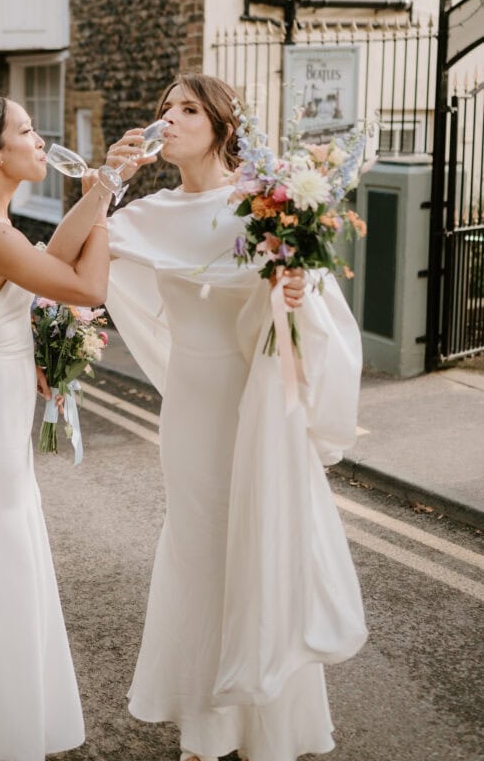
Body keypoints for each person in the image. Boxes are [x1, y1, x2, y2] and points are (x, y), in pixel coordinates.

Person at [98, 74, 367, 761]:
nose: (171, 118)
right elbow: (73, 261)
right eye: (165, 108)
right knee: (197, 549)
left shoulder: (262, 207)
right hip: (188, 407)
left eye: (189, 109)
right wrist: (105, 178)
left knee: (259, 540)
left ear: (222, 126)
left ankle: (271, 726)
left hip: (252, 399)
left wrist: (298, 291)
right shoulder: (147, 213)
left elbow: (308, 311)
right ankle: (206, 728)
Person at [0, 95, 112, 760]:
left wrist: (94, 201)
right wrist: (108, 204)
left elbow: (46, 258)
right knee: (2, 545)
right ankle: (6, 715)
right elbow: (85, 287)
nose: (42, 140)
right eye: (28, 130)